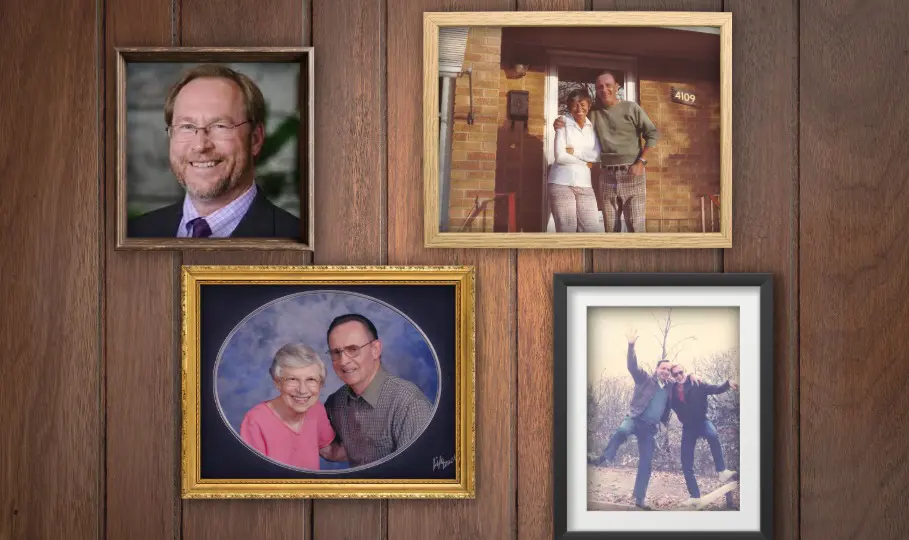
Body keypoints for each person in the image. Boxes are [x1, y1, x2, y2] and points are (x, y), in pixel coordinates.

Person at [128, 64, 299, 238]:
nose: (201, 145)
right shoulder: (135, 234)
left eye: (220, 126)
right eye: (187, 126)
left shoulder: (298, 240)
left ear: (255, 139)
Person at [322, 313, 433, 467]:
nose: (343, 360)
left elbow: (418, 479)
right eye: (336, 352)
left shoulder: (410, 405)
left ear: (375, 349)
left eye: (353, 349)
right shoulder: (335, 403)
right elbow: (339, 450)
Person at [554, 72, 659, 233]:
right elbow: (577, 111)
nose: (604, 89)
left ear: (616, 87)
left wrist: (641, 162)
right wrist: (560, 121)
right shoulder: (593, 111)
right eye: (600, 87)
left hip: (632, 173)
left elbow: (652, 134)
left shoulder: (631, 108)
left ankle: (638, 257)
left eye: (608, 85)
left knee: (636, 227)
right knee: (611, 228)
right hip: (607, 175)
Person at [589, 328, 673, 510]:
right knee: (621, 431)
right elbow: (632, 366)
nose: (666, 371)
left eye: (668, 370)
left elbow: (684, 386)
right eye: (663, 368)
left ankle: (639, 498)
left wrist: (692, 377)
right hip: (635, 418)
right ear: (657, 369)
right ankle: (606, 457)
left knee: (646, 463)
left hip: (649, 429)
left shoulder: (670, 388)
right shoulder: (644, 379)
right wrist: (631, 345)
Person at [240, 343, 347, 469]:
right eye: (292, 379)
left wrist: (369, 444)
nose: (302, 390)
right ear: (278, 382)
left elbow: (329, 452)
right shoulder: (255, 421)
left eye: (311, 379)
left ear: (321, 384)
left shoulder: (316, 409)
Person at [668, 364, 738, 508]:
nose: (679, 376)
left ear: (685, 371)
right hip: (688, 427)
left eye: (681, 372)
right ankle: (694, 496)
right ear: (672, 376)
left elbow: (714, 388)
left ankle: (721, 471)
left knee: (713, 435)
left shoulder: (696, 382)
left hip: (702, 421)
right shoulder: (671, 389)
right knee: (686, 462)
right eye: (675, 374)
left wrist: (727, 384)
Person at [547, 89, 605, 233]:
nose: (579, 109)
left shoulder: (592, 127)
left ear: (589, 105)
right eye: (574, 105)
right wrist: (585, 162)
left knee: (591, 229)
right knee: (567, 230)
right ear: (569, 108)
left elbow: (596, 156)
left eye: (582, 104)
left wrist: (575, 153)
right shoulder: (563, 122)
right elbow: (560, 156)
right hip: (561, 183)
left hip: (585, 184)